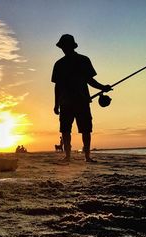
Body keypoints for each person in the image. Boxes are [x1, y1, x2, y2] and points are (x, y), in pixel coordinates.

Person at [51, 34, 111, 162]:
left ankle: (85, 156)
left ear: (70, 46)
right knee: (68, 130)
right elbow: (58, 87)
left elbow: (90, 80)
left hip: (79, 101)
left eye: (64, 46)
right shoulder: (61, 64)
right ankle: (71, 156)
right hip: (70, 102)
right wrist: (56, 104)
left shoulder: (79, 61)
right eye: (62, 46)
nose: (63, 48)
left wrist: (102, 87)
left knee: (84, 130)